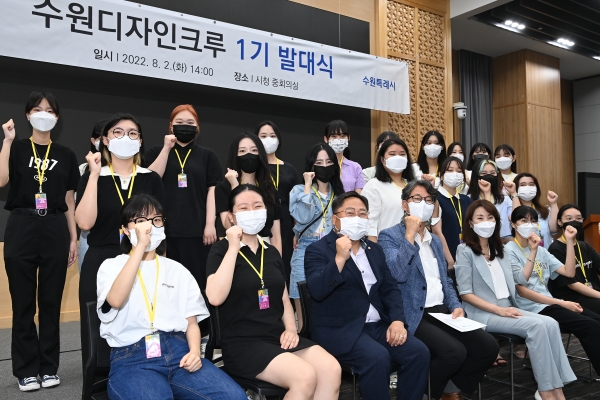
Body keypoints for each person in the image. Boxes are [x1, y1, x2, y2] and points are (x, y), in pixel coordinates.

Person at [97, 194, 246, 400]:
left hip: (179, 353)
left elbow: (191, 322)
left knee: (234, 396)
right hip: (133, 358)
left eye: (156, 220)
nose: (150, 227)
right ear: (125, 230)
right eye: (141, 221)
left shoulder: (177, 270)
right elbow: (115, 301)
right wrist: (140, 247)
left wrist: (195, 352)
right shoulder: (112, 266)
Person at [206, 185, 341, 399]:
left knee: (331, 369)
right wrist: (233, 247)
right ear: (231, 217)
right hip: (243, 343)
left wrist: (291, 329)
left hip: (277, 336)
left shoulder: (271, 252)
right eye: (244, 208)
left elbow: (284, 300)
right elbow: (214, 297)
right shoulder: (221, 250)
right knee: (304, 376)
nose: (252, 212)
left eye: (257, 206)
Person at [304, 191, 429, 400]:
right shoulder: (317, 250)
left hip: (377, 326)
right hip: (341, 328)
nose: (357, 218)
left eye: (362, 214)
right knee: (378, 359)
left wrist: (397, 320)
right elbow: (317, 290)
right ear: (335, 219)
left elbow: (390, 289)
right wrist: (339, 259)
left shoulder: (374, 250)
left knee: (419, 353)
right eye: (350, 213)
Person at [379, 180, 498, 400]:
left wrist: (455, 306)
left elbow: (445, 281)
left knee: (488, 346)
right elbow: (397, 274)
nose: (423, 204)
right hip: (413, 313)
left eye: (429, 200)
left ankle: (445, 388)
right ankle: (422, 394)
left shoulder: (434, 240)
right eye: (417, 199)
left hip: (441, 311)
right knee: (453, 351)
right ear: (405, 204)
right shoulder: (389, 236)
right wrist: (409, 237)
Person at [454, 200, 575, 400]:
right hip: (483, 313)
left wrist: (533, 251)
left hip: (507, 308)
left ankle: (557, 388)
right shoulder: (465, 250)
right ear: (470, 223)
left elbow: (521, 279)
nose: (486, 222)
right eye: (480, 218)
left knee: (551, 323)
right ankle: (546, 391)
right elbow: (466, 293)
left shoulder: (500, 249)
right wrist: (498, 310)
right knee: (536, 326)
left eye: (490, 217)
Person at [0, 92, 79, 391]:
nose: (43, 114)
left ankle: (48, 367)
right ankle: (25, 370)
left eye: (49, 110)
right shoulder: (17, 147)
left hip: (55, 227)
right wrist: (7, 141)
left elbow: (69, 200)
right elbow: (1, 180)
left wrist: (73, 238)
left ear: (57, 118)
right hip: (22, 224)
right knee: (22, 304)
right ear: (27, 114)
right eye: (37, 109)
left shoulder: (66, 154)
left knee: (50, 302)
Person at [75, 112, 165, 374]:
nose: (126, 137)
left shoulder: (150, 178)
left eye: (132, 133)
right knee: (97, 324)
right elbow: (84, 223)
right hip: (100, 258)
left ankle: (143, 375)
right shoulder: (93, 175)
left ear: (140, 141)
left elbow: (160, 225)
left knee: (142, 319)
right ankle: (99, 379)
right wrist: (93, 175)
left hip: (143, 260)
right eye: (118, 132)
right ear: (105, 140)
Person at [506, 205, 600, 378]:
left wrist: (570, 242)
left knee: (596, 321)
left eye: (533, 221)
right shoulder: (509, 251)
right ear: (513, 224)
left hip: (549, 303)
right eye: (524, 221)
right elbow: (522, 292)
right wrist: (561, 303)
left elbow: (569, 272)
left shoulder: (541, 250)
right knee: (591, 326)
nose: (529, 225)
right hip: (531, 307)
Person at [145, 104, 222, 289]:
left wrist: (210, 224)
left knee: (198, 284)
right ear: (171, 126)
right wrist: (166, 148)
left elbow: (213, 191)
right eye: (179, 122)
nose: (185, 126)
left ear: (197, 127)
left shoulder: (208, 156)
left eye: (190, 122)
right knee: (166, 285)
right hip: (163, 232)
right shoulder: (156, 151)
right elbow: (150, 179)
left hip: (198, 232)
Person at [289, 143, 344, 330]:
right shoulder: (299, 190)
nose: (324, 166)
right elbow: (303, 217)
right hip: (305, 248)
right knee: (304, 315)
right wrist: (307, 185)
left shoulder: (340, 195)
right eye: (319, 162)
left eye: (328, 162)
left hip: (333, 250)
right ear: (311, 166)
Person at [215, 132, 282, 254]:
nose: (249, 155)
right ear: (235, 155)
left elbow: (276, 235)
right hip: (235, 250)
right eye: (242, 151)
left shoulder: (269, 189)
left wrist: (278, 261)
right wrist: (234, 186)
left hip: (265, 250)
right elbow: (229, 225)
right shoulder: (223, 187)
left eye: (254, 150)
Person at [255, 120, 300, 287]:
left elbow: (297, 202)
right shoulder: (254, 167)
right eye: (263, 136)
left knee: (286, 262)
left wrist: (297, 231)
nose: (268, 139)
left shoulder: (289, 168)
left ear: (279, 139)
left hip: (286, 222)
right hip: (262, 221)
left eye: (272, 136)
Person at [548, 204, 600, 315]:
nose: (574, 221)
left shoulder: (584, 246)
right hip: (573, 297)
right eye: (569, 218)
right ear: (559, 222)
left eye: (578, 218)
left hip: (593, 293)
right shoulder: (555, 248)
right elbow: (572, 285)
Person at [361, 137, 416, 242]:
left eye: (402, 154)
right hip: (387, 244)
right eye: (392, 154)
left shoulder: (412, 185)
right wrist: (374, 249)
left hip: (414, 243)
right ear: (382, 159)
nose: (398, 158)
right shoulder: (373, 185)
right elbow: (370, 224)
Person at [78, 119, 107, 274]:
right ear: (93, 140)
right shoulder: (84, 169)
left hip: (117, 233)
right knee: (88, 280)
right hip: (89, 235)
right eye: (99, 138)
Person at [468, 159, 520, 242]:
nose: (489, 176)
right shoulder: (468, 199)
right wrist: (486, 193)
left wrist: (513, 193)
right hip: (479, 241)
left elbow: (517, 218)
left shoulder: (504, 199)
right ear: (476, 176)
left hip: (504, 241)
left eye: (492, 173)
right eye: (484, 173)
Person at [435, 156, 473, 268]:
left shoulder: (466, 200)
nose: (455, 174)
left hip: (467, 257)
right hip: (446, 259)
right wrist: (450, 260)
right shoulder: (435, 199)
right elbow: (437, 232)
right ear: (441, 175)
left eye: (459, 171)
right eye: (450, 170)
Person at [514, 172, 558, 249]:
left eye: (531, 184)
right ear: (516, 188)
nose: (527, 187)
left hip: (545, 253)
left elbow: (554, 229)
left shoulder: (545, 210)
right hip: (525, 253)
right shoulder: (511, 209)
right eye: (523, 185)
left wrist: (553, 203)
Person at [323, 119, 365, 193]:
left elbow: (358, 195)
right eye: (334, 136)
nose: (338, 140)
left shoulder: (355, 167)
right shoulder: (321, 165)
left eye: (342, 136)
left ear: (348, 138)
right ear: (326, 139)